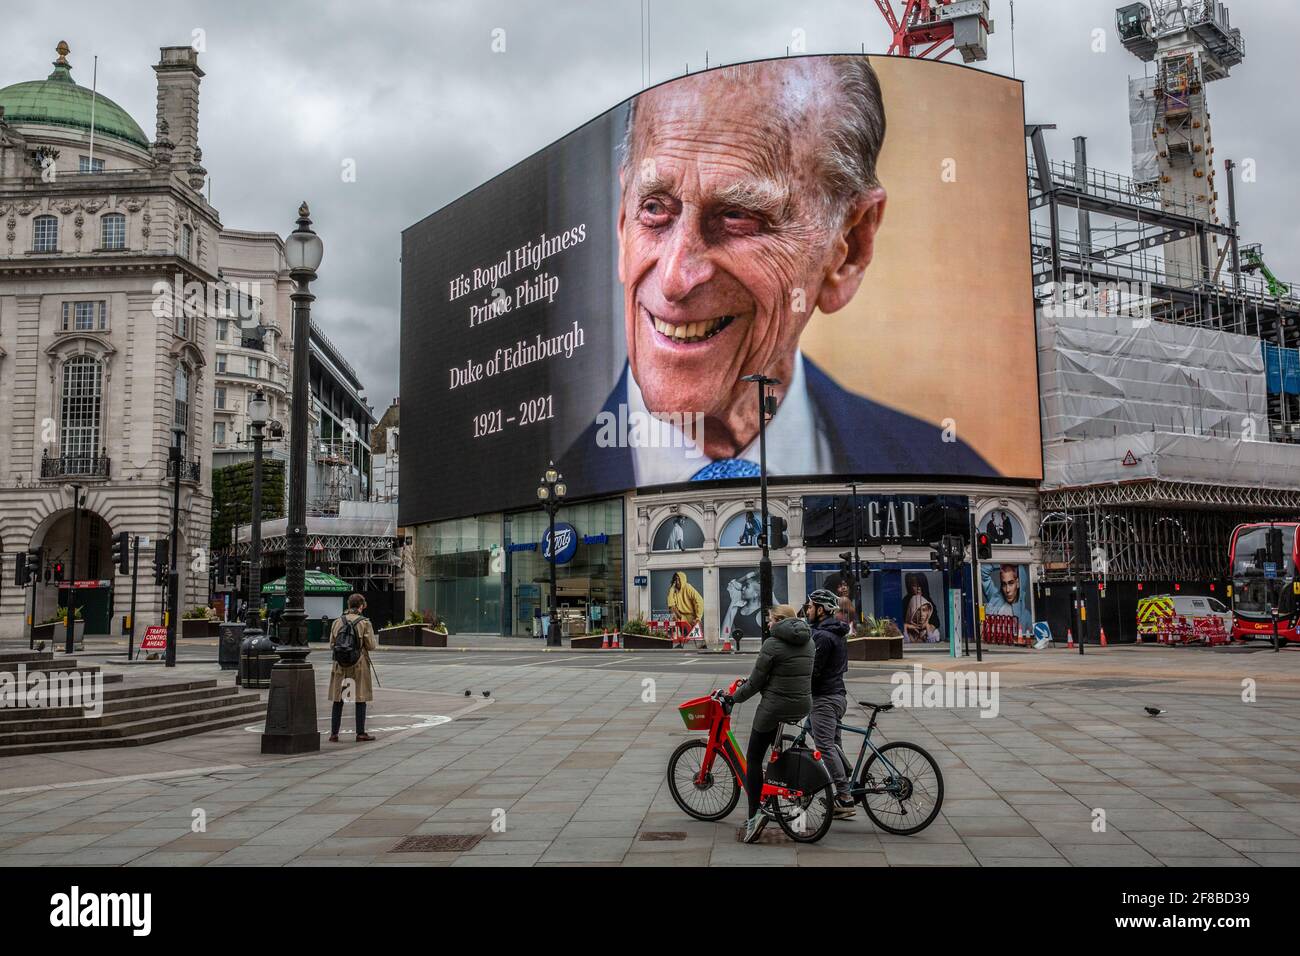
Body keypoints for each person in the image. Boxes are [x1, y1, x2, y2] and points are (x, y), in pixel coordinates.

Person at [561, 56, 993, 487]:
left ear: (849, 249)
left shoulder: (959, 481)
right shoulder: (532, 492)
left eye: (737, 216)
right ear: (623, 223)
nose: (675, 279)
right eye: (654, 208)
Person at [725, 603, 814, 843]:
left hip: (775, 707)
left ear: (779, 620)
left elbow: (754, 684)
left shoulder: (772, 644)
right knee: (772, 751)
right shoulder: (809, 641)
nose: (767, 623)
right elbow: (790, 673)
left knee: (753, 758)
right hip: (802, 704)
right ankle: (774, 787)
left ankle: (754, 816)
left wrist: (733, 698)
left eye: (770, 619)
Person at [805, 589, 856, 818]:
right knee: (833, 744)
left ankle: (845, 797)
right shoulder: (834, 633)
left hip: (824, 698)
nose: (807, 610)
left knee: (824, 746)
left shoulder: (823, 637)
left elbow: (813, 672)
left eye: (810, 606)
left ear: (821, 610)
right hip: (837, 696)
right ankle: (844, 772)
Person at [327, 593, 379, 743]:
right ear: (361, 606)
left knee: (339, 698)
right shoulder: (364, 622)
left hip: (340, 664)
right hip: (358, 663)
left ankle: (334, 733)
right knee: (360, 697)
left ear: (349, 605)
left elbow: (332, 644)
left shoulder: (337, 622)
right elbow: (371, 645)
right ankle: (360, 733)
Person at [666, 571, 703, 642]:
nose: (677, 581)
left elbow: (699, 600)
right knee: (672, 612)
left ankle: (700, 645)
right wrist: (671, 589)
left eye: (679, 579)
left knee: (696, 638)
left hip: (691, 617)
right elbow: (671, 604)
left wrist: (698, 617)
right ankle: (676, 639)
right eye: (676, 579)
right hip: (680, 616)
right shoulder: (673, 590)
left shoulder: (688, 587)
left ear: (682, 579)